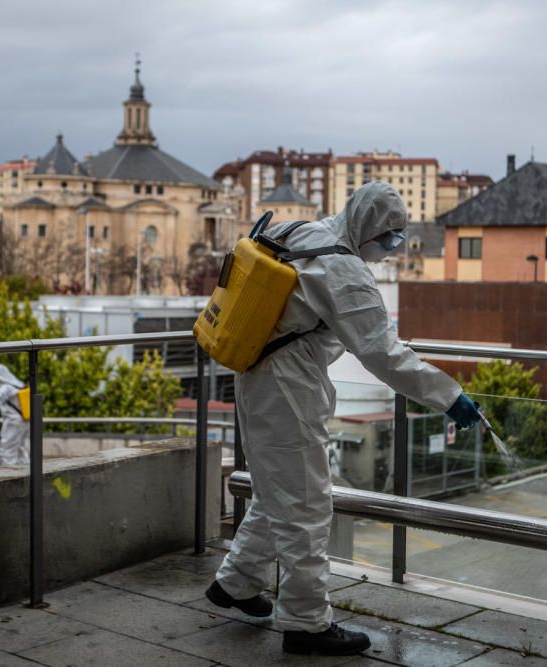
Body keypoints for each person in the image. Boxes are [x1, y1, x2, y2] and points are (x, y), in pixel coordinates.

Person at [204, 181, 481, 656]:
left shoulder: (302, 231)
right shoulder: (344, 268)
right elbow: (383, 353)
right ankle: (307, 623)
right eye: (389, 239)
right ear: (368, 226)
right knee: (308, 506)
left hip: (255, 374)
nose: (390, 250)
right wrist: (448, 396)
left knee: (279, 494)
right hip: (287, 388)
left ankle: (236, 583)